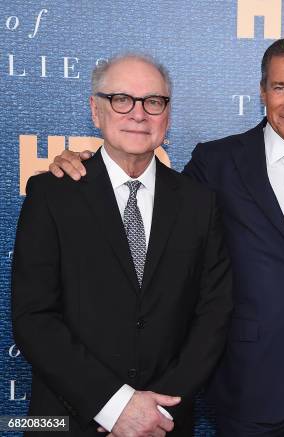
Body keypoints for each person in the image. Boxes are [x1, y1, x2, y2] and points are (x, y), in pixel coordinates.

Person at [49, 38, 284, 437]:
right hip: (250, 386)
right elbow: (153, 209)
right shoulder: (217, 162)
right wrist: (89, 166)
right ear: (261, 92)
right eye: (278, 87)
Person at [12, 54, 233, 436]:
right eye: (121, 100)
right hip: (68, 422)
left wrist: (153, 412)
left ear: (168, 114)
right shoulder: (51, 195)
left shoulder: (200, 203)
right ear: (95, 111)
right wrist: (115, 408)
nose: (138, 114)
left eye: (153, 101)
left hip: (163, 423)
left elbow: (213, 315)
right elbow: (34, 318)